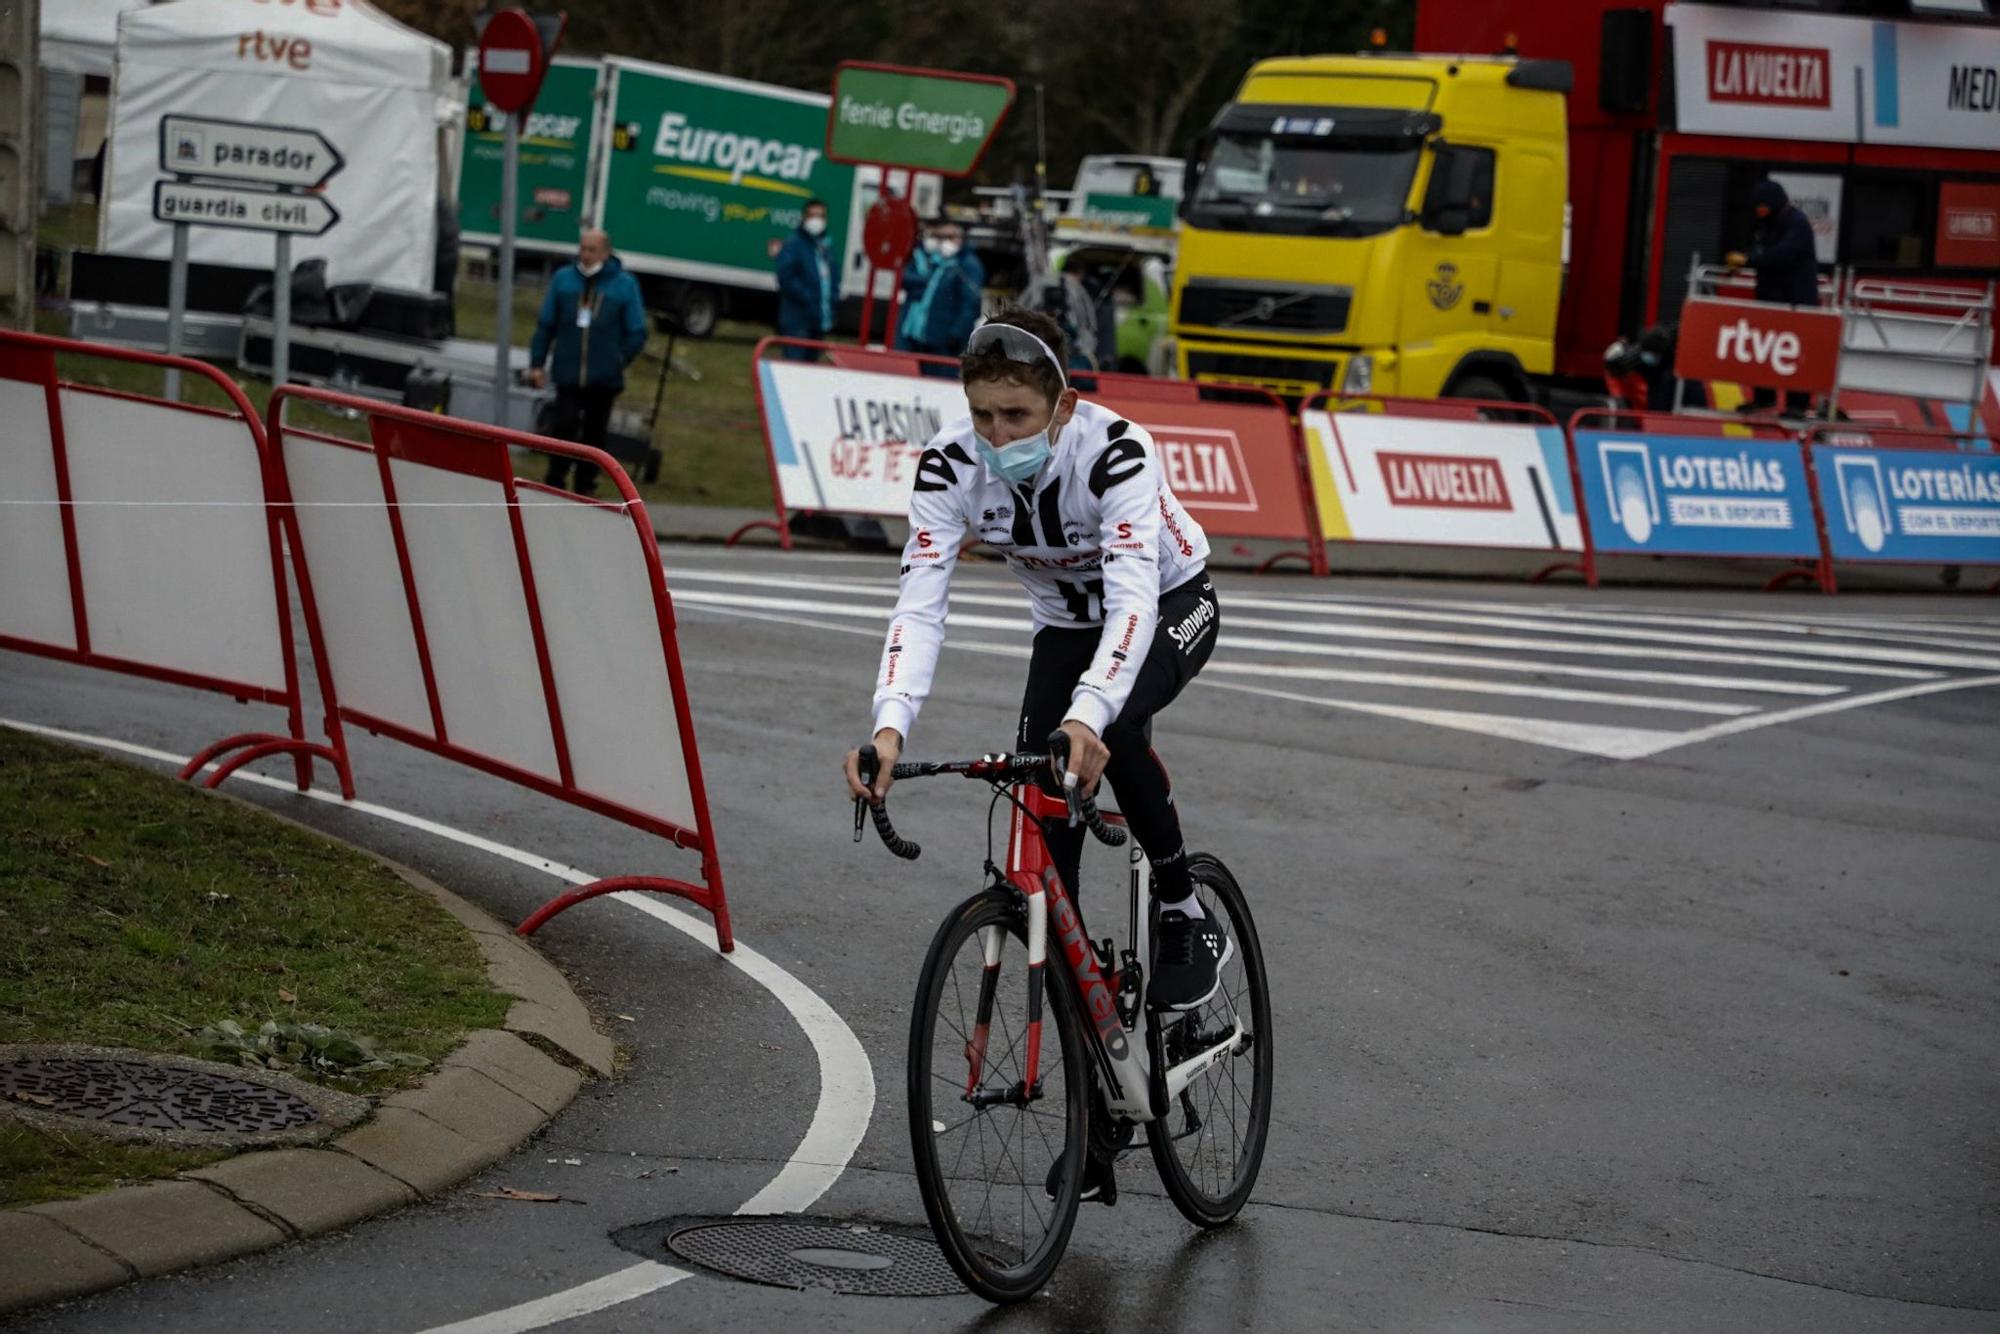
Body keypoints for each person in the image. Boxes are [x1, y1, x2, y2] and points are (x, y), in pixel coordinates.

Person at [842, 305, 1226, 1062]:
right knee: (1045, 816)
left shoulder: (1116, 451)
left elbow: (1133, 602)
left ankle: (1183, 904)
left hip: (1169, 603)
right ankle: (1098, 1065)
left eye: (1017, 414)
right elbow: (919, 607)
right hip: (1064, 628)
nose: (997, 436)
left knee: (1105, 729)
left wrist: (1089, 710)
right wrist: (889, 728)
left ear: (1064, 404)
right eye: (982, 414)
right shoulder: (950, 465)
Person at [527, 230, 648, 497]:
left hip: (604, 377)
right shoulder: (564, 280)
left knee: (595, 433)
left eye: (592, 250)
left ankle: (585, 486)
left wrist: (619, 360)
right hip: (568, 373)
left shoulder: (624, 285)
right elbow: (546, 325)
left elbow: (637, 331)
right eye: (583, 248)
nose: (586, 255)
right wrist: (537, 363)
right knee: (564, 424)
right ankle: (555, 481)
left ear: (605, 253)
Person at [1727, 179, 1820, 416]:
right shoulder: (1766, 225)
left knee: (1796, 353)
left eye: (1763, 208)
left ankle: (1797, 405)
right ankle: (1763, 398)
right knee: (1763, 349)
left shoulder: (1797, 224)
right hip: (1769, 300)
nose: (1760, 213)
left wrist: (1748, 261)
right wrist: (1743, 260)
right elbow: (1761, 251)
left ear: (1774, 205)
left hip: (1797, 302)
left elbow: (1781, 255)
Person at [897, 223, 986, 356]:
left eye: (949, 237)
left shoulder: (967, 265)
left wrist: (957, 333)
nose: (944, 242)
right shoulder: (939, 261)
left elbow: (971, 304)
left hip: (946, 340)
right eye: (940, 237)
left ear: (961, 239)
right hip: (926, 337)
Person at [775, 198, 835, 359]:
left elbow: (832, 275)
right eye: (812, 216)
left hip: (818, 319)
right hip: (798, 320)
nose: (816, 220)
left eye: (820, 216)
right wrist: (808, 297)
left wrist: (832, 298)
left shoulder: (824, 245)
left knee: (810, 369)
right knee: (794, 366)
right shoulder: (794, 244)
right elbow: (786, 277)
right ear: (804, 217)